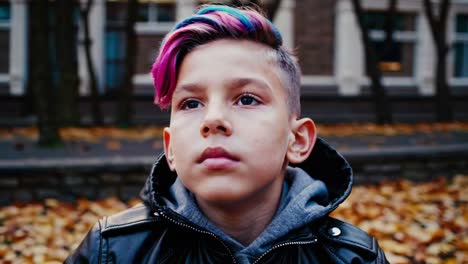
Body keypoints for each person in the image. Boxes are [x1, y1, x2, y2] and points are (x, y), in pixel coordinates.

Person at [66, 4, 388, 263]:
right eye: (191, 103)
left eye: (247, 99)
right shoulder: (110, 252)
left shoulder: (354, 258)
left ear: (298, 140)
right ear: (170, 149)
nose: (213, 120)